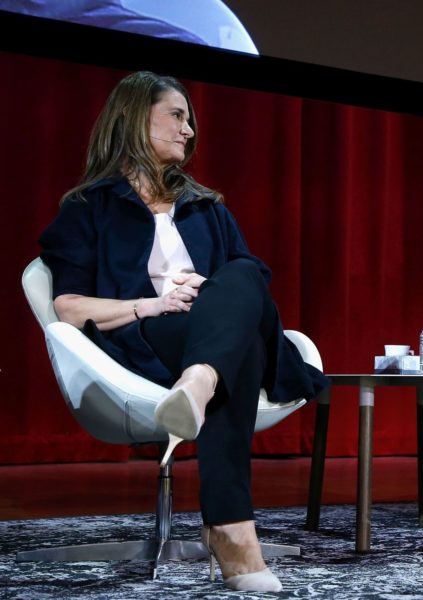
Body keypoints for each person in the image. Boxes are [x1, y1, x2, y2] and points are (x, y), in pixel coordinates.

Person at [39, 71, 327, 592]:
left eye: (189, 119)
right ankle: (230, 530)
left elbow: (249, 286)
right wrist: (153, 303)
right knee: (233, 356)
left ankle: (196, 385)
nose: (189, 130)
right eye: (176, 115)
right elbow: (68, 306)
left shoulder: (206, 205)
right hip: (149, 335)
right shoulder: (88, 208)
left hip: (215, 328)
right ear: (133, 119)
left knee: (241, 275)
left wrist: (207, 288)